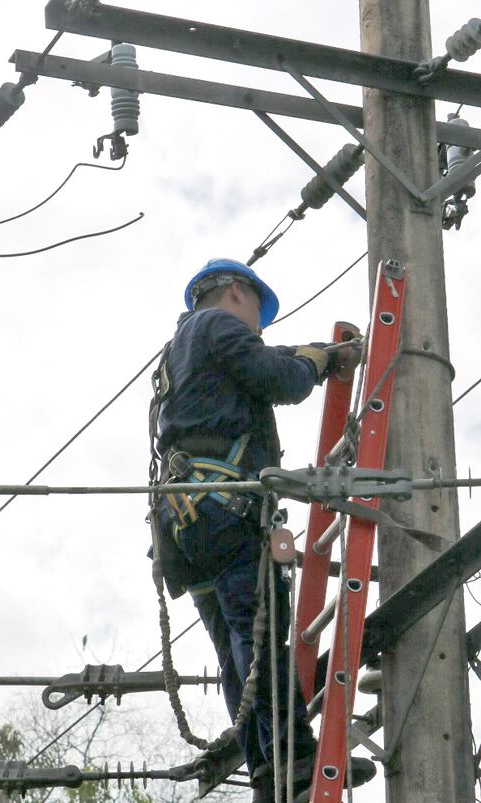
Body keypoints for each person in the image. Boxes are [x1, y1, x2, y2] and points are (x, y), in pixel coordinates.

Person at [150, 258, 373, 802]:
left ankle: (266, 774)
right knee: (259, 640)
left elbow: (257, 364)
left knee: (235, 656)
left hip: (186, 525)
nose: (259, 325)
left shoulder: (179, 349)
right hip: (225, 512)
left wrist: (306, 354)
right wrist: (316, 365)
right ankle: (297, 761)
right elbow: (273, 378)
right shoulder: (217, 326)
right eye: (257, 311)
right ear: (234, 291)